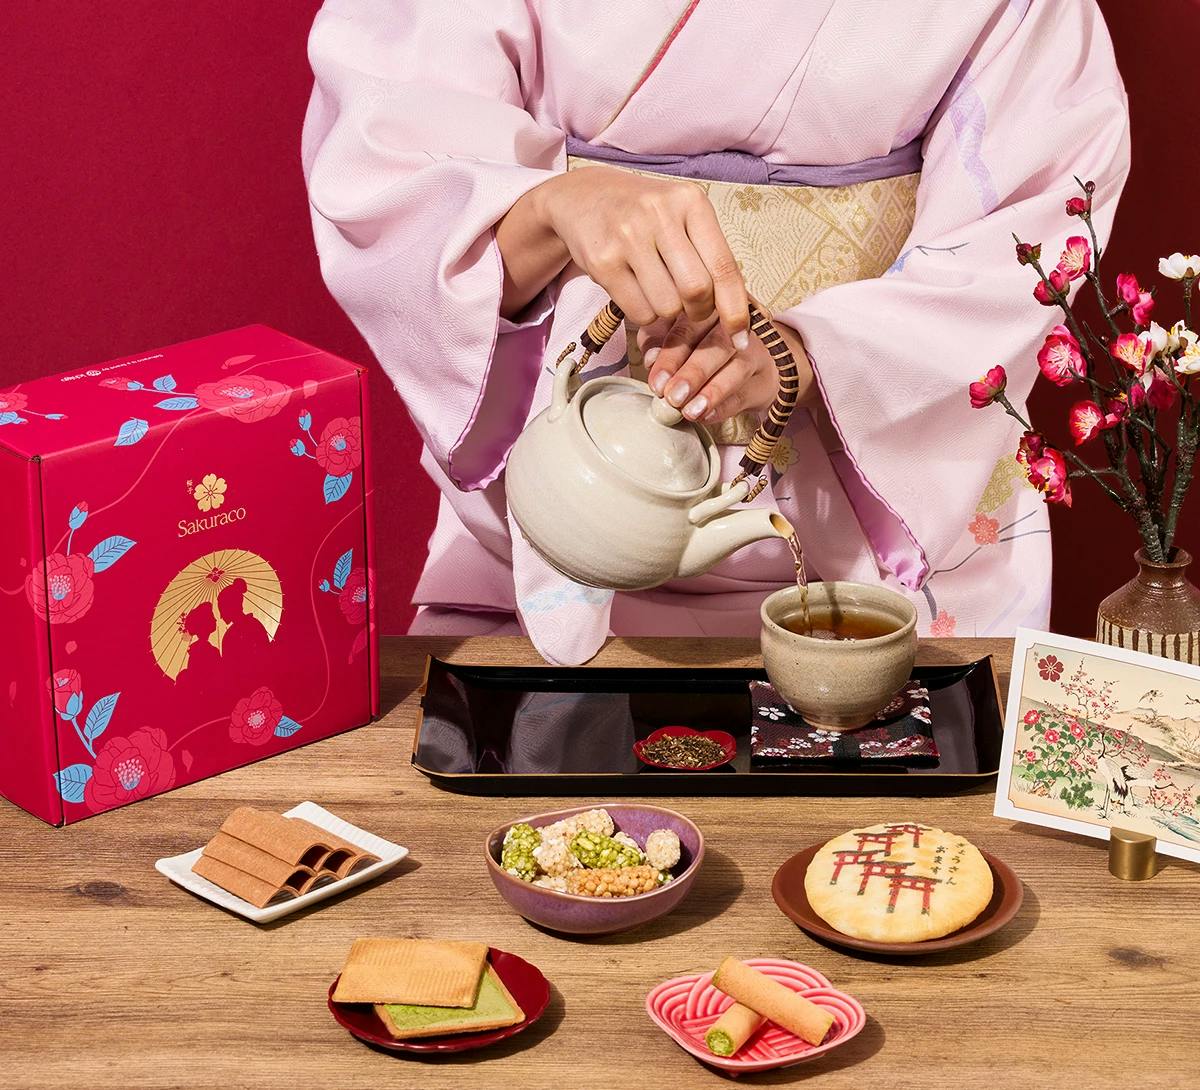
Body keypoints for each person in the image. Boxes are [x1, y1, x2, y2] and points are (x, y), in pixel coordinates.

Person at [302, 0, 1130, 664]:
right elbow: (387, 150)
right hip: (553, 526)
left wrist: (814, 355)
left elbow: (1036, 207)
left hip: (874, 566)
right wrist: (545, 212)